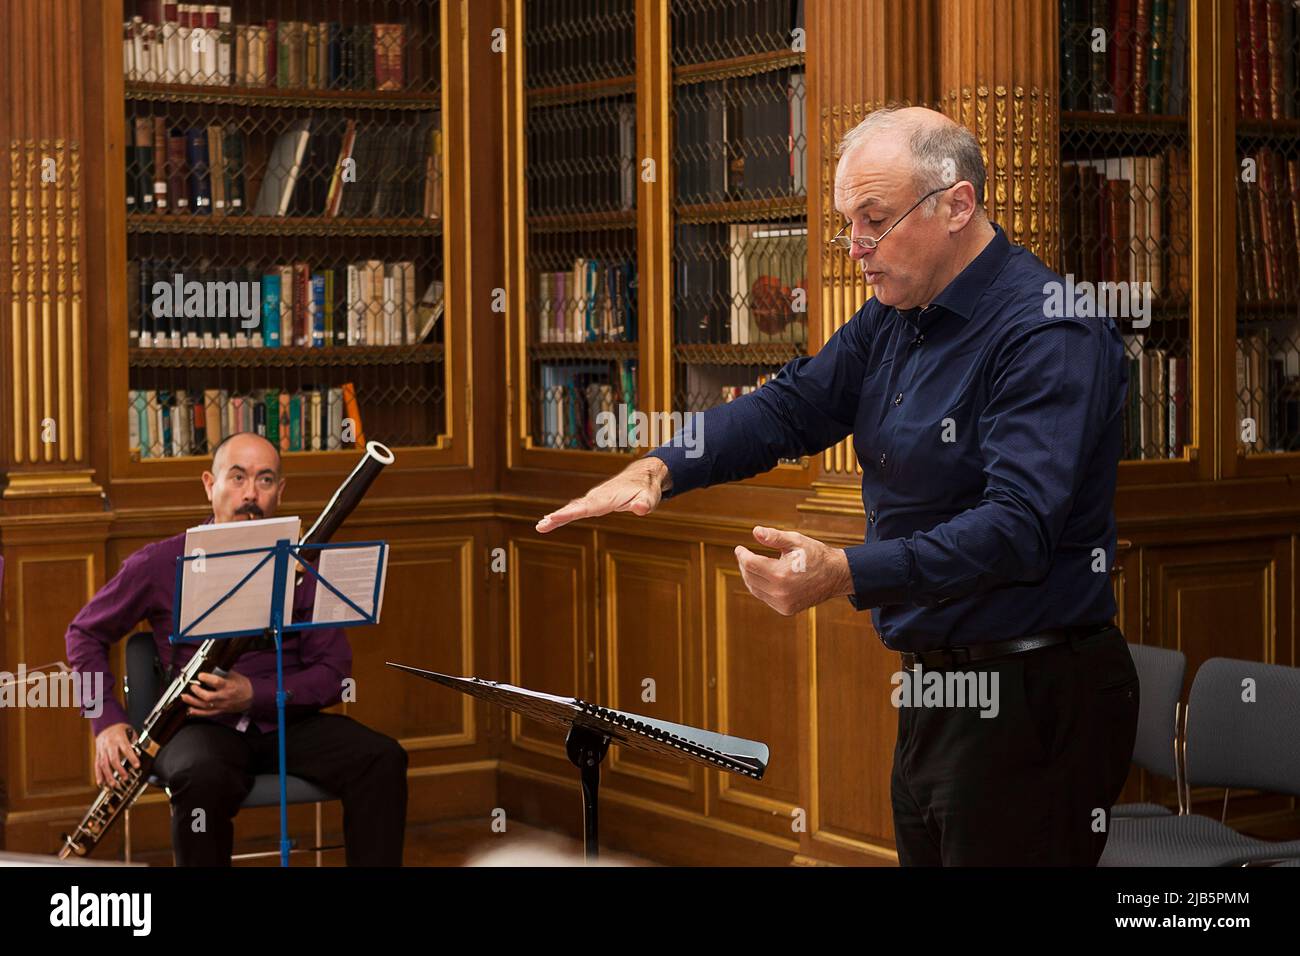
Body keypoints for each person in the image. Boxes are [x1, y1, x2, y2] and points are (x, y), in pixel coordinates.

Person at [537, 105, 1140, 866]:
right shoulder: (896, 313)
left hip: (1035, 693)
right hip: (938, 684)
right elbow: (794, 405)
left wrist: (845, 572)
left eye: (874, 220)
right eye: (846, 222)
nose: (855, 247)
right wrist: (661, 464)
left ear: (958, 204)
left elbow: (1017, 528)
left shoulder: (1049, 329)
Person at [66, 432, 407, 866]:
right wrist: (106, 723)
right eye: (238, 477)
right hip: (198, 728)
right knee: (200, 777)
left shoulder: (304, 566)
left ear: (280, 492)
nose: (251, 494)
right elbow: (83, 634)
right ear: (210, 484)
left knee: (381, 759)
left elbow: (335, 672)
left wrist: (256, 694)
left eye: (265, 481)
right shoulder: (160, 563)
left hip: (285, 720)